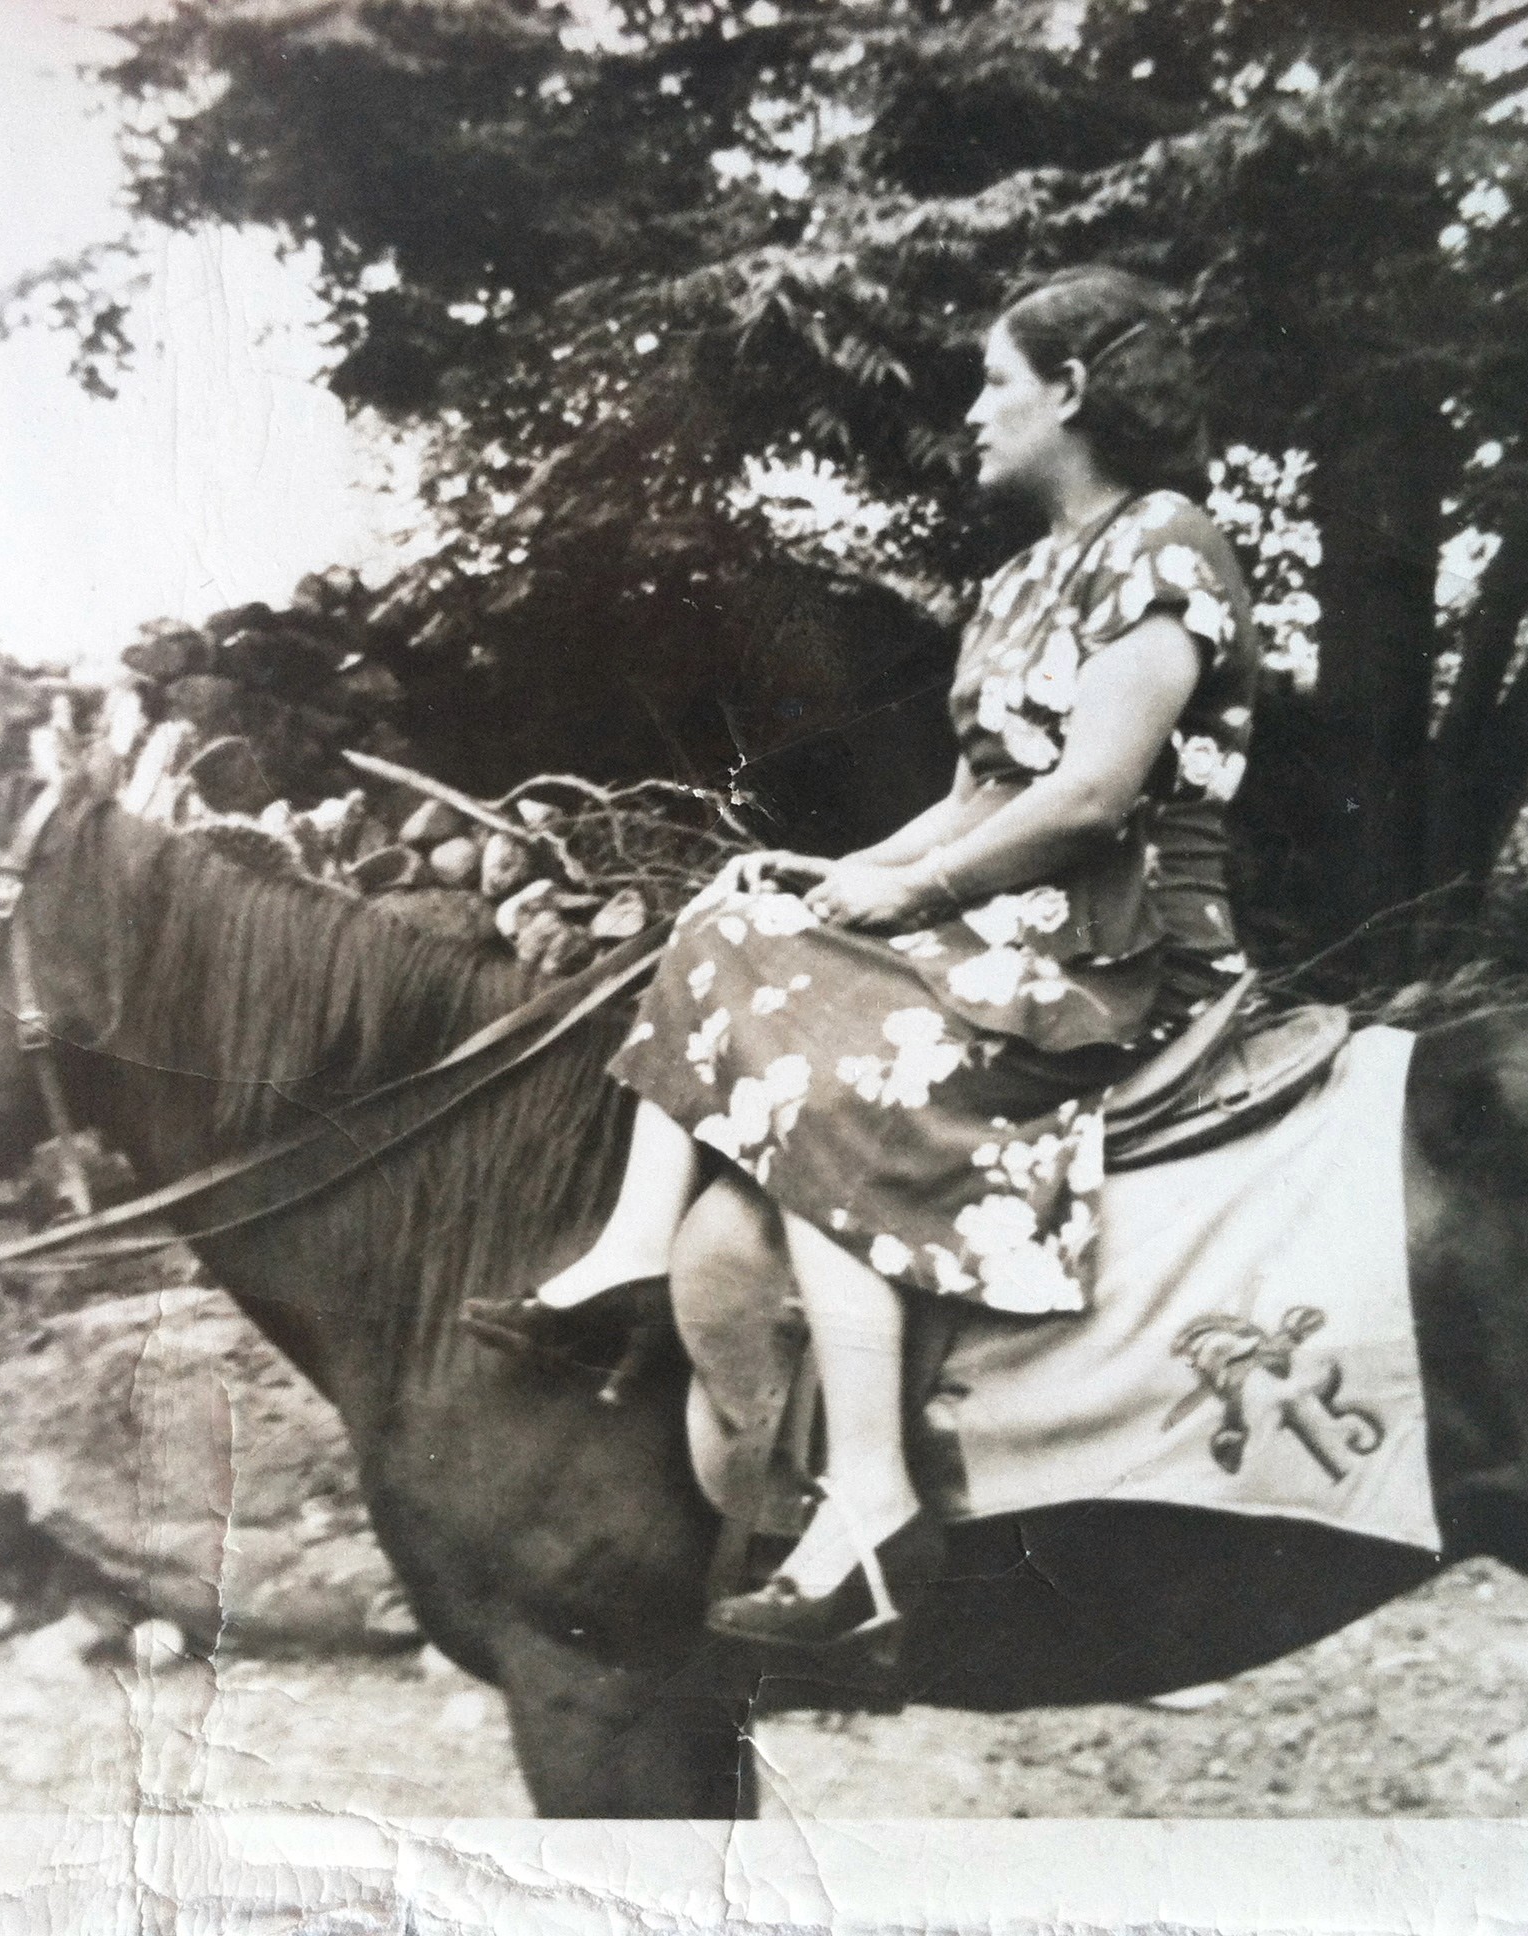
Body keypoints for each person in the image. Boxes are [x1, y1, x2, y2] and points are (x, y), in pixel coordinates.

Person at [467, 265, 1260, 1651]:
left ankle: (874, 1501)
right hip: (1004, 921)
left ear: (1071, 392)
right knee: (733, 913)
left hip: (1117, 944)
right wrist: (845, 877)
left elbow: (1089, 795)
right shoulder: (1023, 581)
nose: (973, 411)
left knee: (835, 1058)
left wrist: (913, 900)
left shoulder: (1168, 546)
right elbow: (974, 794)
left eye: (996, 380)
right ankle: (634, 1249)